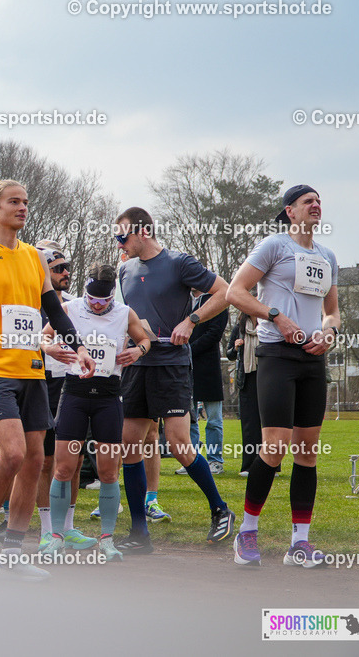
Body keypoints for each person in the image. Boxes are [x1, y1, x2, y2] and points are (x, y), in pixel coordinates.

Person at [0, 180, 95, 580]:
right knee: (15, 453)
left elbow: (54, 310)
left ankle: (12, 549)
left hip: (32, 369)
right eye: (13, 202)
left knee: (36, 460)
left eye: (25, 201)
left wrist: (80, 347)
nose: (22, 207)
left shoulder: (36, 258)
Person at [227, 185, 339, 567]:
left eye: (318, 201)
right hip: (276, 353)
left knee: (307, 454)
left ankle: (300, 544)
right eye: (308, 201)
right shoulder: (273, 246)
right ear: (290, 211)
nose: (316, 205)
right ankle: (246, 533)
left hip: (313, 359)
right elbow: (235, 292)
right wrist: (275, 315)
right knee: (274, 448)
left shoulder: (327, 257)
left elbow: (332, 311)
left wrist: (329, 332)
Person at [114, 206, 235, 553]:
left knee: (180, 444)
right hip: (138, 366)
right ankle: (139, 533)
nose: (119, 243)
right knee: (129, 444)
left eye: (123, 236)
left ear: (143, 232)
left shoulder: (180, 262)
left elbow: (225, 291)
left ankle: (220, 509)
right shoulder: (124, 270)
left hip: (172, 365)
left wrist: (192, 320)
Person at [41, 263, 153, 561]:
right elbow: (43, 336)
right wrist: (49, 348)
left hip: (108, 397)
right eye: (92, 298)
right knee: (63, 468)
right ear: (85, 289)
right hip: (75, 394)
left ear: (111, 296)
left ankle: (106, 539)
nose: (96, 304)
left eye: (103, 300)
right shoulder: (70, 308)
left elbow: (145, 339)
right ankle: (55, 537)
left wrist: (138, 351)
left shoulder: (124, 312)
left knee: (107, 471)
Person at [33, 240, 95, 545]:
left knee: (75, 458)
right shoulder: (30, 301)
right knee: (45, 461)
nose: (66, 272)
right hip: (42, 382)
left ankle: (68, 526)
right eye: (58, 268)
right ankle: (47, 530)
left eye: (67, 267)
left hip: (73, 384)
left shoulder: (72, 302)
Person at [185, 289, 228, 474]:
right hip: (186, 368)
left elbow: (214, 333)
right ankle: (193, 461)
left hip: (208, 368)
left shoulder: (217, 301)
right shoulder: (183, 300)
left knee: (214, 420)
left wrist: (188, 350)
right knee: (190, 420)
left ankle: (215, 460)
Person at [226, 312, 262, 475]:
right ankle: (249, 465)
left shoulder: (268, 327)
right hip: (246, 379)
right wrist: (236, 347)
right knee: (249, 423)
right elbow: (230, 355)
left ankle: (272, 465)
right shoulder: (239, 329)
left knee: (268, 423)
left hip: (266, 376)